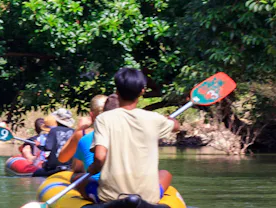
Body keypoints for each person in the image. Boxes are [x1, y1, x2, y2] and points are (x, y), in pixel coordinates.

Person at [86, 68, 179, 204]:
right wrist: (171, 120)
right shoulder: (154, 119)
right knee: (164, 173)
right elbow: (176, 127)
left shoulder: (104, 119)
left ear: (117, 92)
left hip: (112, 198)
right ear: (142, 91)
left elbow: (100, 157)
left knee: (79, 180)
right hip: (148, 199)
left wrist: (92, 169)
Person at [56, 94, 109, 172]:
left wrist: (79, 129)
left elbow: (62, 158)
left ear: (91, 115)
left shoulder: (82, 134)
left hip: (94, 180)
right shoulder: (120, 132)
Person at [31, 108, 76, 176]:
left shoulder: (54, 130)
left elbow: (48, 148)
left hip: (54, 168)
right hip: (69, 167)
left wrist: (39, 146)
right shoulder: (74, 132)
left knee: (35, 173)